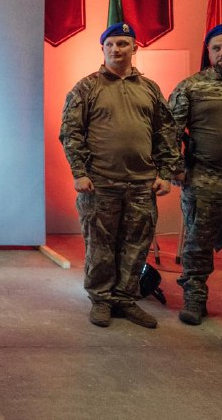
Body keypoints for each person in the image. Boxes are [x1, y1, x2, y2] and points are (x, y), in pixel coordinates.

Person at [59, 22, 180, 330]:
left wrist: (166, 173)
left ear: (134, 48)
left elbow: (165, 132)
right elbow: (71, 132)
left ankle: (125, 299)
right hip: (100, 183)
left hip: (141, 184)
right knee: (100, 245)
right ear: (102, 49)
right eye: (110, 44)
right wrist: (79, 172)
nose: (116, 49)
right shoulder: (86, 88)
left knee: (136, 245)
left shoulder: (149, 89)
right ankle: (101, 300)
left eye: (123, 43)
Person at [169, 22, 222, 325]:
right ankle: (195, 299)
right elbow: (168, 131)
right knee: (197, 245)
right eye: (216, 48)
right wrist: (176, 170)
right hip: (205, 180)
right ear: (209, 52)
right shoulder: (191, 87)